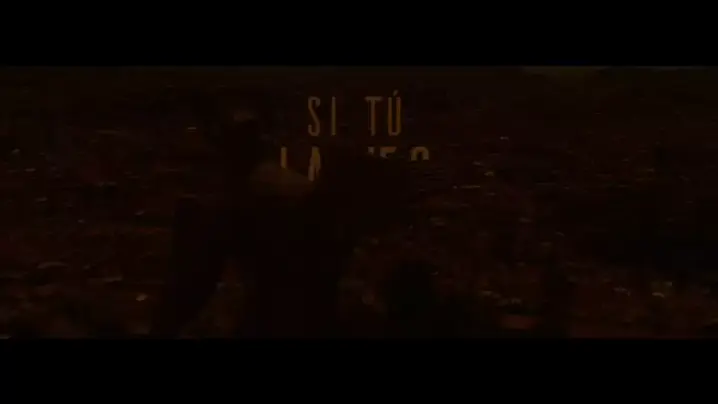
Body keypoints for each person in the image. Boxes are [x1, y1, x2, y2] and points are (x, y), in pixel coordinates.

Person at [150, 105, 414, 338]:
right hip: (318, 322)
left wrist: (164, 327)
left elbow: (195, 285)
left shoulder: (242, 202)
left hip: (269, 323)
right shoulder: (298, 193)